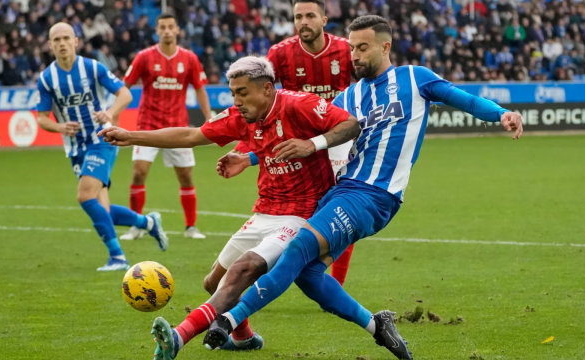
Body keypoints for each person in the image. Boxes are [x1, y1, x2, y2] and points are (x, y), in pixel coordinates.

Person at [203, 15, 524, 359]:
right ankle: (377, 325)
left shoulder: (415, 78)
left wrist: (500, 113)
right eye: (352, 48)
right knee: (308, 275)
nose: (354, 55)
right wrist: (247, 158)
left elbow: (464, 99)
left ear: (385, 46)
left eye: (363, 47)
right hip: (341, 190)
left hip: (375, 195)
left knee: (296, 249)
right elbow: (303, 137)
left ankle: (229, 318)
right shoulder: (349, 96)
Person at [97, 55, 360, 358]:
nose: (236, 101)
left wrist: (312, 144)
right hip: (266, 210)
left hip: (304, 213)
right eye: (233, 93)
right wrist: (130, 136)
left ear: (267, 89)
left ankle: (179, 336)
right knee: (213, 282)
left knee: (243, 269)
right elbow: (191, 135)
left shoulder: (298, 105)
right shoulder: (240, 117)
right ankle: (245, 338)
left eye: (242, 93)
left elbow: (350, 124)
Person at [234, 0, 357, 286]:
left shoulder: (344, 49)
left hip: (334, 136)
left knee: (341, 208)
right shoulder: (280, 53)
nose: (303, 21)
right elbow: (260, 97)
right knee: (283, 210)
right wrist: (247, 149)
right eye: (298, 16)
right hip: (293, 140)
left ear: (324, 19)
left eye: (310, 15)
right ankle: (261, 268)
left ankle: (335, 284)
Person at [35, 23, 168, 271]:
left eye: (66, 38)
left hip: (102, 139)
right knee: (103, 209)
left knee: (84, 195)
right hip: (75, 148)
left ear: (76, 41)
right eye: (56, 40)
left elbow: (125, 95)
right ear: (50, 45)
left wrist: (109, 112)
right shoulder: (47, 78)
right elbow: (42, 117)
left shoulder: (92, 67)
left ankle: (118, 257)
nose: (62, 43)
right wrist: (60, 128)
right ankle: (148, 223)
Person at [120, 13, 211, 241]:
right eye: (163, 27)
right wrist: (113, 114)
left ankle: (191, 227)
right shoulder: (144, 57)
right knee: (139, 173)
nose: (167, 31)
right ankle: (136, 225)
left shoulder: (189, 59)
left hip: (178, 128)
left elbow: (200, 89)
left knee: (186, 177)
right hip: (147, 126)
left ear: (178, 29)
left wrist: (209, 118)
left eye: (171, 27)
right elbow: (125, 86)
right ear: (157, 30)